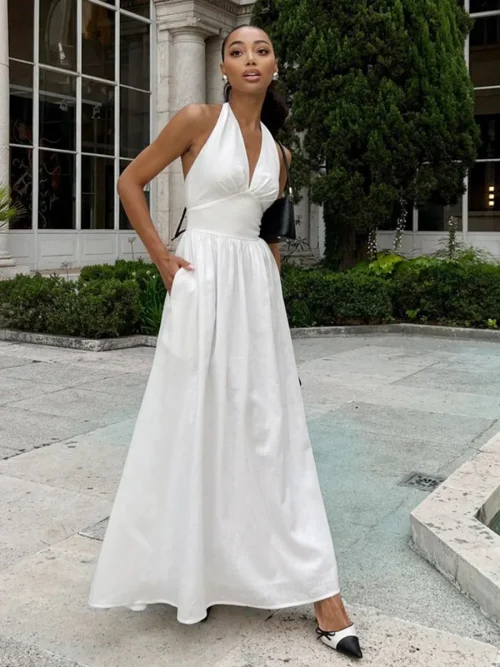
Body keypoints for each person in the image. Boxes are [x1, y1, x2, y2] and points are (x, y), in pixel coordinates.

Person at [88, 24, 363, 660]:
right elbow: (130, 182)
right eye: (237, 51)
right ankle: (195, 571)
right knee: (193, 424)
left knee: (272, 432)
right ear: (223, 68)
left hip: (255, 291)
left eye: (261, 50)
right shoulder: (196, 120)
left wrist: (274, 316)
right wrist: (163, 259)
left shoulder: (281, 154)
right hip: (200, 280)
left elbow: (269, 237)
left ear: (274, 66)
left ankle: (324, 594)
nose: (249, 59)